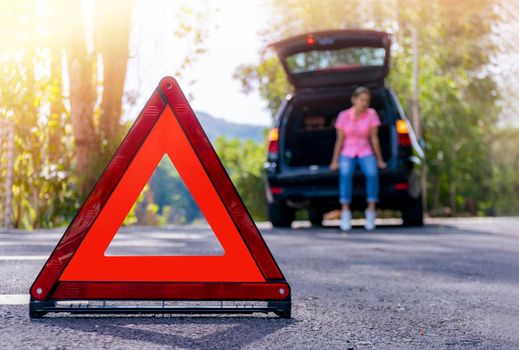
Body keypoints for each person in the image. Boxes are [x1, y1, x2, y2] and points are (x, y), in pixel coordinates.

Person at [330, 87, 386, 231]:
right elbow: (339, 140)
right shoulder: (343, 116)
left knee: (372, 173)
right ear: (354, 99)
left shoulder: (371, 115)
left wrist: (379, 159)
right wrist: (335, 160)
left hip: (365, 150)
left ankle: (371, 211)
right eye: (362, 100)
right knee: (346, 173)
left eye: (367, 100)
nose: (365, 103)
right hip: (347, 151)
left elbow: (374, 138)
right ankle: (346, 212)